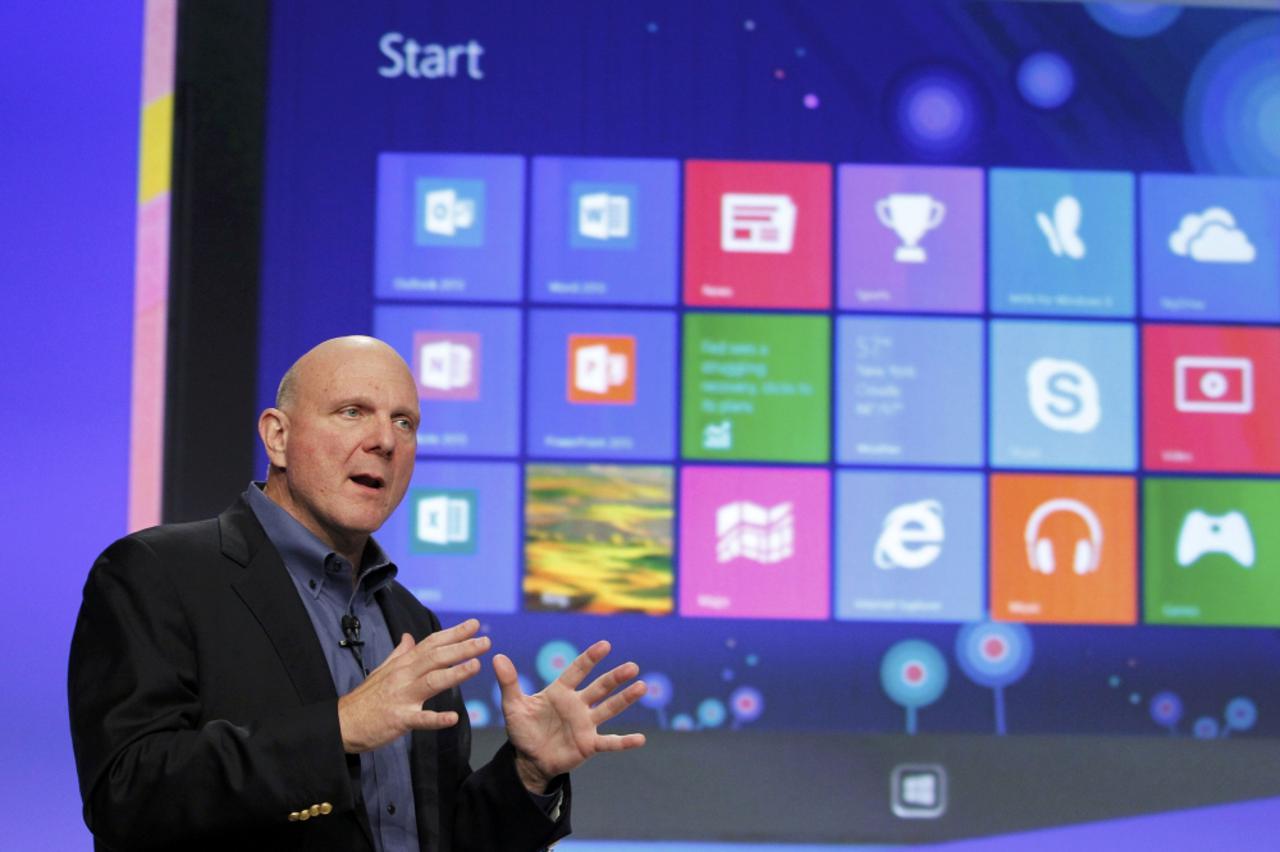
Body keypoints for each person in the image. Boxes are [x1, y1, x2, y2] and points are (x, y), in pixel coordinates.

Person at [68, 336, 647, 851]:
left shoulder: (411, 621)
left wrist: (528, 773)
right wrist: (338, 729)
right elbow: (126, 795)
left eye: (405, 423)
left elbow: (438, 836)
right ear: (277, 437)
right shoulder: (159, 574)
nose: (384, 441)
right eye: (352, 412)